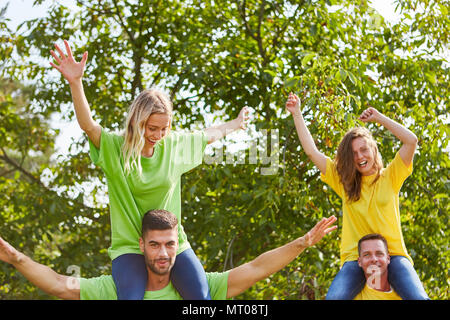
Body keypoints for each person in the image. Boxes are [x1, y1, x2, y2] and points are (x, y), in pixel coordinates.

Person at [49, 40, 250, 300]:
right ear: (137, 122)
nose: (158, 135)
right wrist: (76, 83)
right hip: (130, 247)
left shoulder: (174, 146)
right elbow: (88, 125)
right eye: (151, 128)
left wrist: (235, 123)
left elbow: (208, 135)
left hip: (171, 242)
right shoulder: (115, 148)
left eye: (163, 128)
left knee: (201, 298)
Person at [0, 210, 337, 300]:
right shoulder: (117, 289)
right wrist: (16, 257)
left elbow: (256, 268)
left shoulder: (198, 288)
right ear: (142, 245)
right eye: (155, 245)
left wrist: (301, 243)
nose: (163, 253)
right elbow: (60, 285)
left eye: (170, 244)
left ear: (179, 244)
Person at [285, 92, 428, 300]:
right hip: (355, 260)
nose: (360, 157)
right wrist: (297, 113)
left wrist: (379, 117)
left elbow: (411, 141)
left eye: (363, 150)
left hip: (393, 257)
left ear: (373, 149)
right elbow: (311, 151)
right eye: (353, 154)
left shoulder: (390, 177)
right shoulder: (344, 182)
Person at [354, 233, 401, 300]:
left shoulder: (407, 295)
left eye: (379, 254)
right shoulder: (350, 296)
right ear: (359, 262)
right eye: (367, 255)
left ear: (388, 259)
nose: (374, 259)